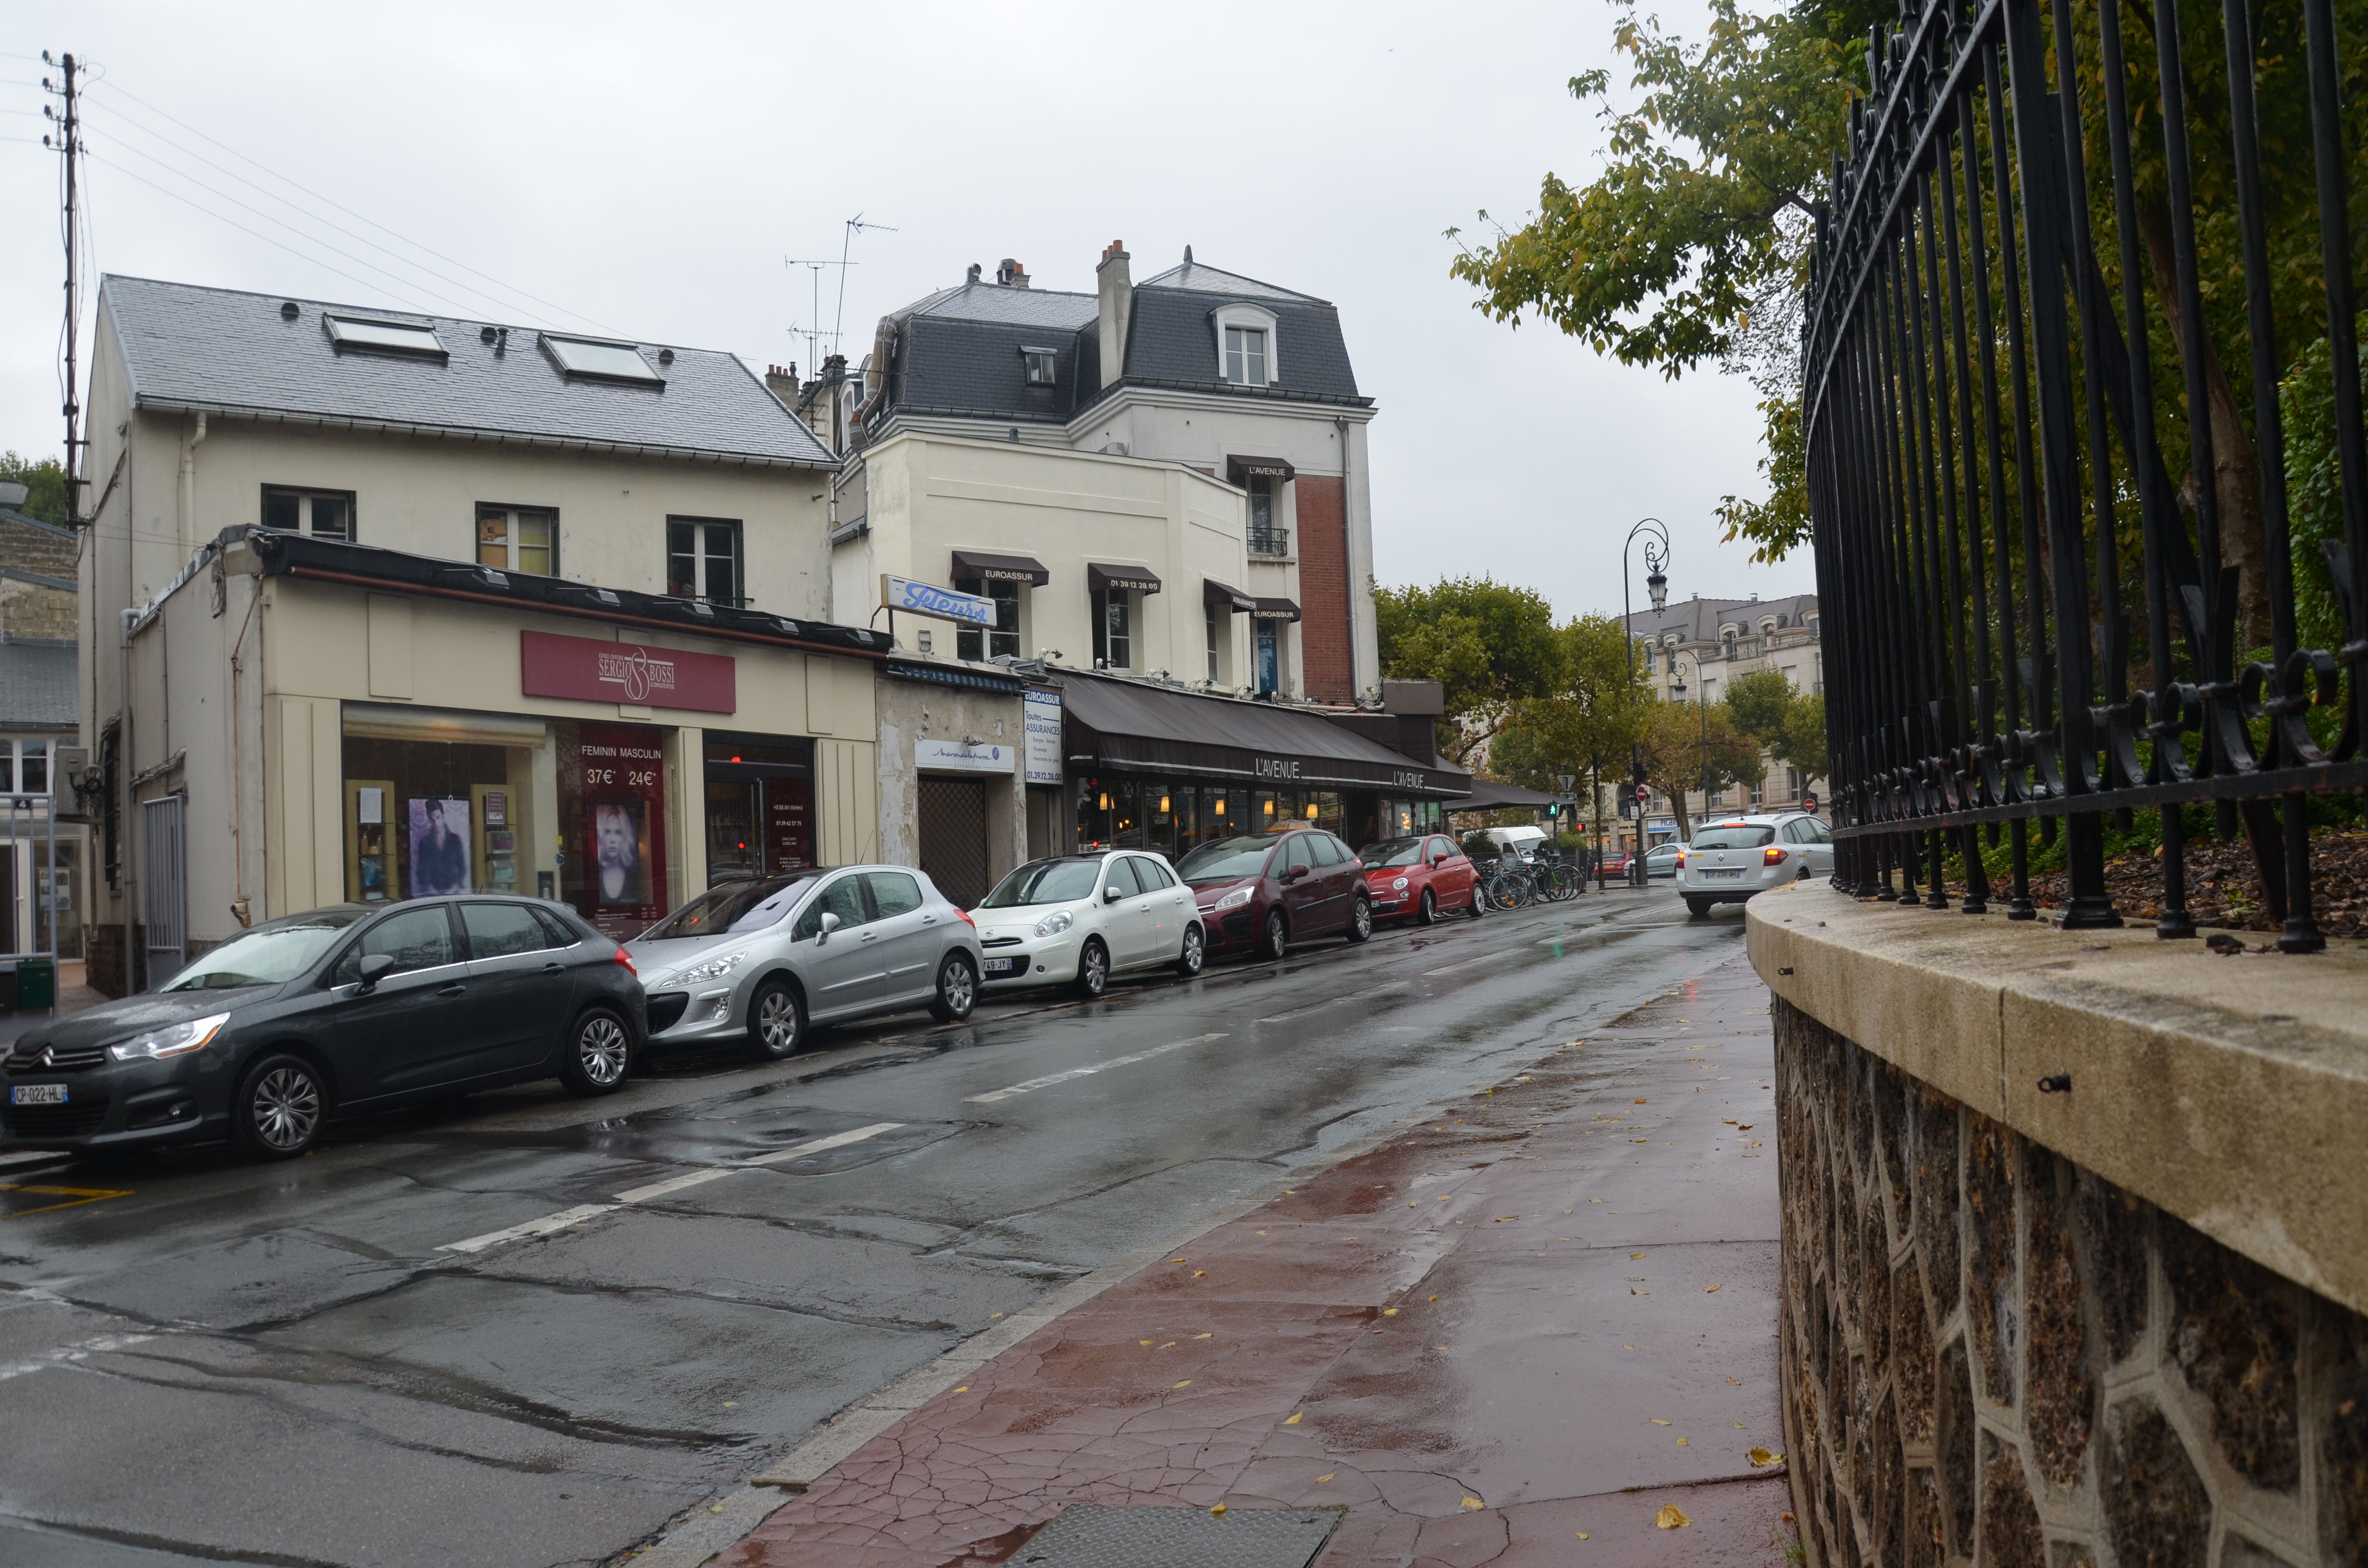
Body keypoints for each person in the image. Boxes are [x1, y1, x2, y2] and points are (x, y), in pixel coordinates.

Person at [412, 798, 469, 896]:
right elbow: (421, 871)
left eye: (438, 817)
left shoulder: (455, 840)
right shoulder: (425, 842)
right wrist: (431, 891)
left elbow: (462, 868)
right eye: (432, 819)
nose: (436, 822)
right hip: (431, 894)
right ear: (429, 819)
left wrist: (453, 890)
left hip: (453, 893)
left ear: (443, 816)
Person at [596, 803, 641, 905]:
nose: (612, 840)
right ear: (599, 836)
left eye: (618, 832)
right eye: (607, 832)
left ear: (625, 836)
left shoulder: (635, 878)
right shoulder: (592, 876)